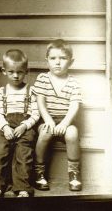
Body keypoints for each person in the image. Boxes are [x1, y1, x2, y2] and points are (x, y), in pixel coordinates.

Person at [0, 49, 40, 198]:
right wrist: (5, 127)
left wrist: (24, 126)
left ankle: (23, 189)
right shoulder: (2, 91)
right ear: (4, 71)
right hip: (5, 126)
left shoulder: (31, 90)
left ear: (26, 71)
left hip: (25, 127)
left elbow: (36, 114)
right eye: (11, 72)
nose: (15, 75)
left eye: (20, 72)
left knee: (23, 154)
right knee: (0, 153)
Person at [33, 39, 82, 191]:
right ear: (47, 60)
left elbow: (75, 105)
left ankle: (74, 172)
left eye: (63, 58)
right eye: (53, 58)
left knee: (72, 133)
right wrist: (48, 120)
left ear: (71, 62)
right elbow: (40, 102)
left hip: (65, 121)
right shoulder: (43, 78)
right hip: (47, 119)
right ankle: (39, 171)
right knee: (45, 133)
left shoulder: (74, 83)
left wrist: (65, 124)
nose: (58, 62)